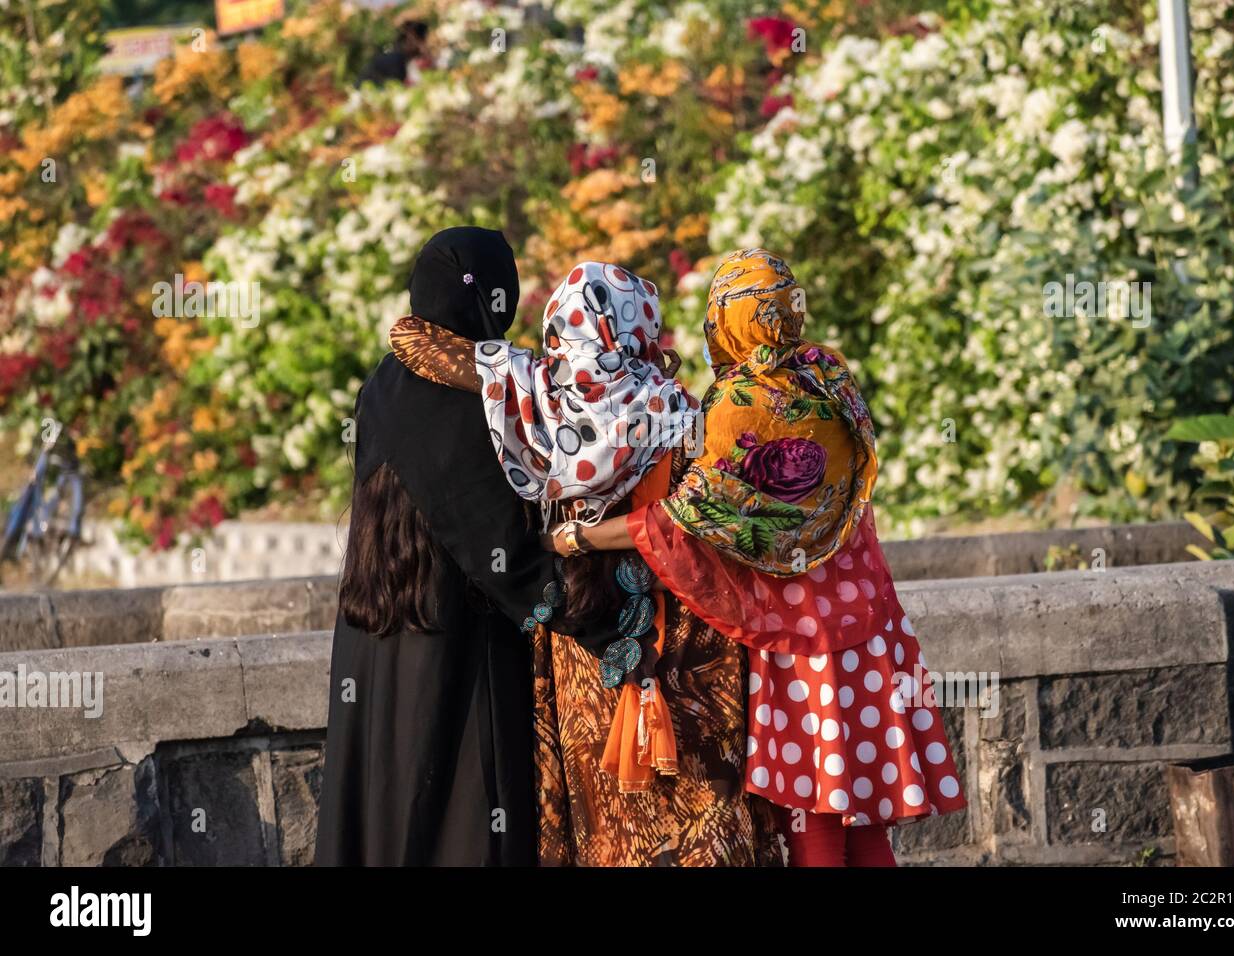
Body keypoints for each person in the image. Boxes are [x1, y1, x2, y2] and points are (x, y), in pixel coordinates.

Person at [557, 249, 968, 866]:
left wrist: (577, 539)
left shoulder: (737, 408)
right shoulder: (829, 376)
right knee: (865, 823)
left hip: (799, 645)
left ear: (729, 321)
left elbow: (684, 522)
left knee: (814, 821)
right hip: (873, 627)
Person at [387, 261, 782, 866]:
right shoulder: (677, 410)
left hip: (587, 652)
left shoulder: (533, 410)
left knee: (606, 824)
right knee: (705, 813)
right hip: (687, 647)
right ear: (637, 326)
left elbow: (435, 351)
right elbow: (709, 527)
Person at [314, 228, 619, 866]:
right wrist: (610, 611)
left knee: (386, 809)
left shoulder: (387, 383)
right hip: (454, 641)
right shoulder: (466, 399)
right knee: (460, 816)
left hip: (377, 636)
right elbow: (502, 550)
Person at [357, 19, 428, 87]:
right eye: (422, 42)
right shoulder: (395, 61)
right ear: (411, 38)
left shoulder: (401, 59)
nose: (424, 48)